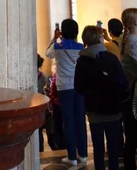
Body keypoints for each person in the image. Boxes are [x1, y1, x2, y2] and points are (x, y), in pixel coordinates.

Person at [75, 25, 129, 170]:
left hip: (94, 111)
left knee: (98, 149)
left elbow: (78, 87)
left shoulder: (82, 61)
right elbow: (123, 82)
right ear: (100, 38)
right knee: (113, 148)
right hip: (113, 109)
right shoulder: (110, 58)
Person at [46, 19, 87, 166]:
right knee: (80, 120)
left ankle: (72, 156)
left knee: (68, 120)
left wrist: (54, 37)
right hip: (79, 86)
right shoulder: (81, 47)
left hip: (64, 87)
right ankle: (83, 154)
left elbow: (47, 53)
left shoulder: (58, 46)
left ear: (62, 31)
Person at [120, 8, 137, 170]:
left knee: (130, 135)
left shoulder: (126, 40)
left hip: (127, 93)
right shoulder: (136, 44)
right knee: (135, 133)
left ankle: (130, 164)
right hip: (136, 94)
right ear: (136, 22)